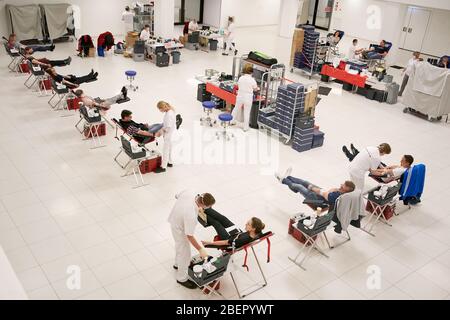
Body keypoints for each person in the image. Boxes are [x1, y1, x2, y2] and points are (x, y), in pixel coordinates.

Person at [168, 191, 215, 289]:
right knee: (185, 253)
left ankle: (177, 264)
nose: (209, 208)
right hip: (179, 228)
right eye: (209, 206)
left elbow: (176, 195)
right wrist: (200, 249)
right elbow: (189, 235)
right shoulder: (191, 215)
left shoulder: (188, 193)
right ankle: (182, 279)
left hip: (174, 220)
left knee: (179, 246)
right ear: (203, 204)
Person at [275, 167, 356, 211]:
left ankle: (283, 180)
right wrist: (330, 191)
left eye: (343, 186)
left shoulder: (336, 196)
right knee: (305, 182)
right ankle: (288, 177)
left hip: (317, 201)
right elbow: (330, 190)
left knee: (299, 186)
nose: (341, 185)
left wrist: (312, 188)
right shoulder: (341, 192)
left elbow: (324, 193)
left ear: (345, 190)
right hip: (322, 195)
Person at [201, 213, 266, 249]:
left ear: (253, 228)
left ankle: (201, 213)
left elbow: (225, 242)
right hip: (237, 233)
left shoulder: (242, 239)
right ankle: (205, 207)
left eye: (248, 224)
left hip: (228, 237)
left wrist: (209, 243)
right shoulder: (258, 231)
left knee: (216, 223)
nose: (245, 224)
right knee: (223, 218)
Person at [154, 101, 182, 174]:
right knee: (169, 149)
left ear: (162, 108)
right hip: (171, 134)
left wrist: (160, 132)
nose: (159, 111)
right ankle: (170, 162)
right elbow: (167, 125)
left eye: (159, 109)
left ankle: (163, 167)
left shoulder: (169, 114)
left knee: (165, 150)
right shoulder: (170, 111)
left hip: (169, 135)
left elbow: (168, 127)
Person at [231, 64, 258, 132]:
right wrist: (257, 88)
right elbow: (255, 89)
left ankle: (231, 121)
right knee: (247, 112)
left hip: (240, 95)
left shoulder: (241, 78)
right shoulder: (252, 80)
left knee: (236, 108)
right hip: (248, 97)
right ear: (251, 72)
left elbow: (238, 85)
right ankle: (245, 127)